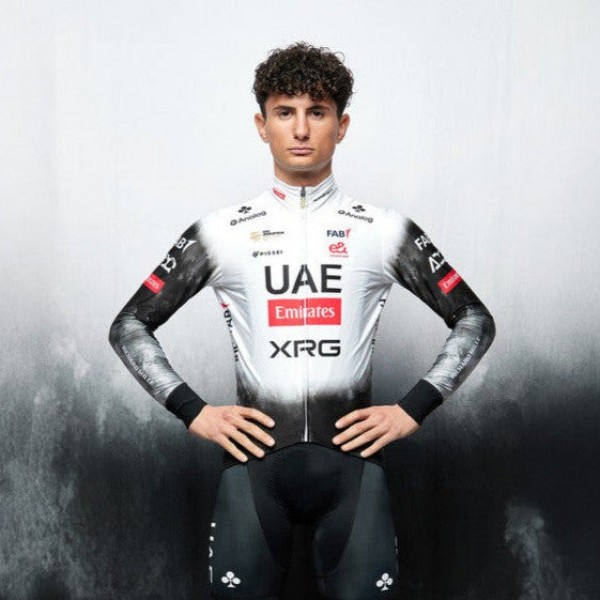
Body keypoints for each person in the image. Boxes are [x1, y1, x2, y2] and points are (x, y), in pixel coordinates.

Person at [109, 42, 496, 600]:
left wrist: (413, 408)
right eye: (284, 112)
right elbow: (130, 325)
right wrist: (194, 412)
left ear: (342, 126)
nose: (300, 129)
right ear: (261, 125)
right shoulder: (221, 231)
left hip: (355, 474)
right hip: (253, 471)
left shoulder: (382, 229)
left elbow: (473, 319)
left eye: (317, 112)